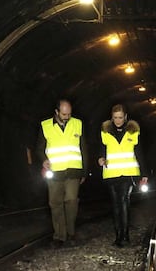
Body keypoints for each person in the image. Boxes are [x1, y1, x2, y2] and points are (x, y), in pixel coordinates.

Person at [36, 99, 87, 247]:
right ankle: (59, 236)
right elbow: (39, 148)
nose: (67, 116)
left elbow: (84, 148)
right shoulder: (45, 126)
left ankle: (71, 233)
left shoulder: (78, 123)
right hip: (55, 172)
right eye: (64, 114)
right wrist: (43, 160)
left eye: (69, 114)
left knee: (71, 201)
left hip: (73, 171)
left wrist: (84, 171)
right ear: (57, 112)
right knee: (55, 203)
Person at [97, 104, 148, 247]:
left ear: (125, 116)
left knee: (124, 201)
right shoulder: (105, 131)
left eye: (120, 117)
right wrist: (100, 158)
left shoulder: (133, 131)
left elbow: (139, 152)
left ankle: (125, 235)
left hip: (128, 173)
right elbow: (101, 149)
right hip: (111, 172)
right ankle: (118, 235)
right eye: (115, 118)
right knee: (115, 204)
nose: (117, 120)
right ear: (111, 117)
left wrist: (144, 173)